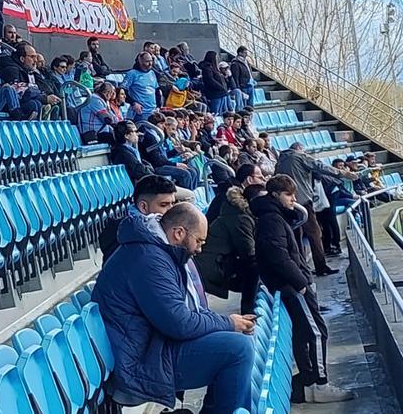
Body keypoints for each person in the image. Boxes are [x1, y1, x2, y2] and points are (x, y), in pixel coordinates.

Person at [92, 201, 255, 413]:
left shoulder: (155, 251)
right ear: (178, 233)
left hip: (153, 344)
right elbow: (179, 324)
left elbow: (184, 313)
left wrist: (226, 323)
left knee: (236, 343)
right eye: (199, 240)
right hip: (142, 359)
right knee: (238, 350)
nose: (200, 248)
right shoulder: (149, 259)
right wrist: (227, 322)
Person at [253, 175, 353, 404]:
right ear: (276, 195)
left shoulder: (274, 216)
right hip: (291, 287)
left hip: (291, 285)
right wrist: (302, 284)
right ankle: (319, 384)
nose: (293, 199)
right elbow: (278, 256)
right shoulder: (271, 219)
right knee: (316, 332)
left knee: (304, 333)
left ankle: (309, 383)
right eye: (289, 195)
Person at [277, 142, 356, 267]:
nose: (306, 153)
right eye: (304, 151)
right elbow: (319, 166)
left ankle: (301, 266)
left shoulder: (280, 161)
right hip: (302, 201)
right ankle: (321, 266)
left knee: (296, 235)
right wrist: (343, 173)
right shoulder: (298, 156)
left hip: (286, 203)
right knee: (314, 232)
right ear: (299, 149)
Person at [197, 182, 263, 315]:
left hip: (222, 260)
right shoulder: (240, 218)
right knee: (254, 266)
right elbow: (248, 252)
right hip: (213, 266)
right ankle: (248, 311)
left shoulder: (239, 212)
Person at [99, 172, 177, 260]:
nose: (171, 210)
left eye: (172, 203)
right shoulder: (121, 233)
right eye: (163, 205)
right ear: (143, 207)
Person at [139, 111, 198, 190]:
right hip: (156, 167)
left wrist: (176, 151)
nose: (164, 126)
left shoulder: (156, 135)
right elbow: (157, 160)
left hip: (162, 164)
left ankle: (191, 194)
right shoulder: (150, 138)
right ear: (154, 125)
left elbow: (164, 155)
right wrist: (175, 164)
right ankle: (182, 197)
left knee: (193, 171)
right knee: (185, 174)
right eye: (161, 124)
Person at [121, 51, 159, 121]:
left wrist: (158, 106)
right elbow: (122, 90)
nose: (150, 64)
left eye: (151, 61)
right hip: (140, 112)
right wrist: (133, 103)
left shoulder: (152, 73)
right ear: (140, 62)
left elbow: (157, 90)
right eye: (147, 61)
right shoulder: (132, 74)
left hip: (152, 111)